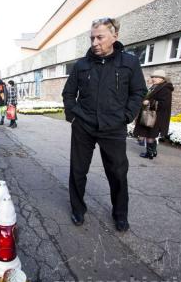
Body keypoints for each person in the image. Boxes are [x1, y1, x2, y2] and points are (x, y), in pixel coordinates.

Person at [62, 17, 147, 232]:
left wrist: (127, 116)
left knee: (118, 173)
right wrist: (74, 115)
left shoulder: (129, 62)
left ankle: (120, 215)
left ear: (114, 36)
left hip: (113, 127)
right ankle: (78, 209)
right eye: (92, 38)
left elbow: (138, 92)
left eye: (100, 37)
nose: (94, 42)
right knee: (78, 170)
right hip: (84, 125)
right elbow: (69, 93)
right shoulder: (82, 65)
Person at [133, 70, 174, 159]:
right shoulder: (155, 87)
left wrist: (149, 102)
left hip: (156, 116)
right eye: (153, 77)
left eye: (156, 77)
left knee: (150, 135)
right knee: (150, 134)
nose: (153, 79)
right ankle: (153, 152)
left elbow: (164, 104)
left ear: (162, 79)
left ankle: (150, 153)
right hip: (150, 115)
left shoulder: (165, 89)